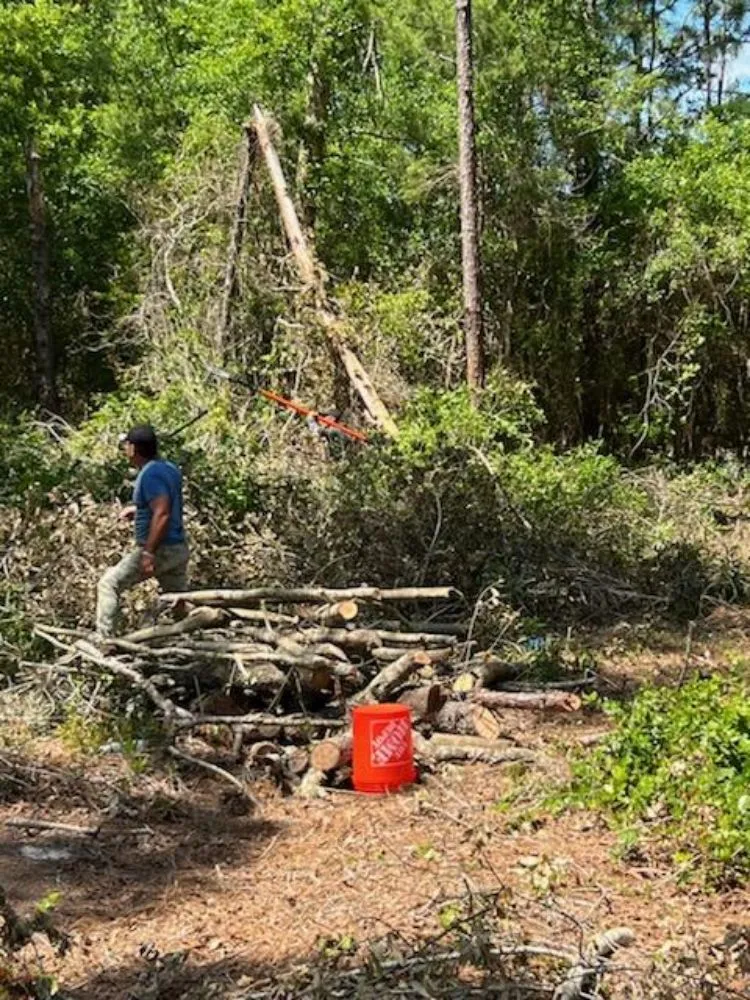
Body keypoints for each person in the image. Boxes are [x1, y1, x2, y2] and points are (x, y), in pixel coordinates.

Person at [96, 424, 189, 637]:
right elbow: (162, 505)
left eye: (126, 445)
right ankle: (196, 635)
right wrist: (137, 510)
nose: (124, 449)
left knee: (108, 584)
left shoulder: (150, 474)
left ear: (133, 448)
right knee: (178, 602)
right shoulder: (168, 468)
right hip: (178, 547)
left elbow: (163, 512)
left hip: (161, 549)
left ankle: (105, 640)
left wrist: (148, 552)